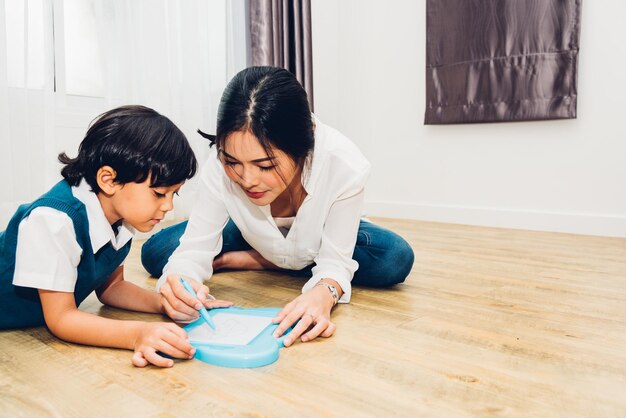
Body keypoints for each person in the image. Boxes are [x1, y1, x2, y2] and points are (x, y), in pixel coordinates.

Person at [141, 66, 414, 347]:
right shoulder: (218, 165)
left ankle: (254, 259)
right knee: (156, 253)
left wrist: (323, 293)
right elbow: (192, 252)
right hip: (251, 232)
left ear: (303, 147)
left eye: (265, 165)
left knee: (394, 257)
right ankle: (287, 261)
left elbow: (335, 262)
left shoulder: (343, 164)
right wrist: (180, 283)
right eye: (232, 162)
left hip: (322, 235)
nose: (248, 180)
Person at [0, 105, 230, 367]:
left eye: (173, 194)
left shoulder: (122, 215)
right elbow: (61, 319)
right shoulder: (54, 221)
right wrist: (137, 334)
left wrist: (167, 304)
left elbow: (112, 289)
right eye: (158, 194)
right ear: (108, 180)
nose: (168, 207)